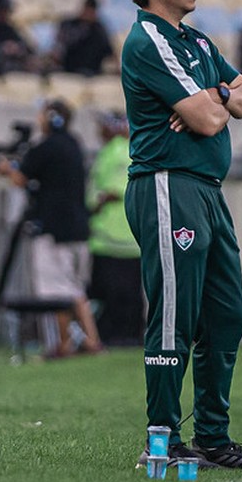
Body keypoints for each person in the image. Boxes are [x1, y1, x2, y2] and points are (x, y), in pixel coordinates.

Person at [120, 0, 242, 473]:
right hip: (168, 184)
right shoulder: (149, 40)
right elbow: (210, 122)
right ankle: (161, 437)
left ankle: (212, 437)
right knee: (174, 317)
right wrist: (216, 103)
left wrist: (218, 94)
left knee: (227, 314)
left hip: (207, 190)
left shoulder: (199, 42)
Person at [0, 100, 103, 357]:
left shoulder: (47, 147)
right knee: (73, 287)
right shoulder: (73, 143)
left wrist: (7, 169)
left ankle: (75, 342)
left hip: (53, 230)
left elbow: (21, 178)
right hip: (77, 228)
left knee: (56, 289)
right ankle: (83, 341)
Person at [87, 111, 143, 346]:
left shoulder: (120, 150)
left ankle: (119, 335)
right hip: (123, 237)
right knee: (126, 291)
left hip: (114, 236)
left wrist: (96, 204)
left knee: (115, 291)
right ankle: (126, 334)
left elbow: (114, 189)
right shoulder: (121, 149)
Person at [51, 0, 115, 76]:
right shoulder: (68, 24)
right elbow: (59, 46)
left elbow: (109, 52)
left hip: (90, 71)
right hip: (68, 68)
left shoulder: (98, 29)